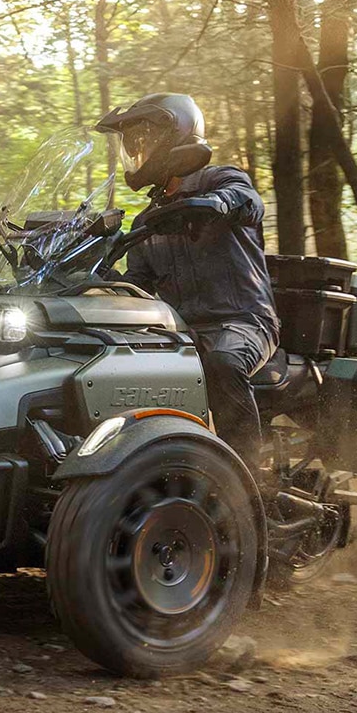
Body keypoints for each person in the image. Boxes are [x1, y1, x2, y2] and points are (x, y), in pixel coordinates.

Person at [95, 92, 279, 462]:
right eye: (131, 145)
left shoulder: (219, 180)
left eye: (143, 141)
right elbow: (139, 284)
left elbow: (248, 202)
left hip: (243, 322)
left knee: (223, 364)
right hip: (182, 332)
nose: (137, 151)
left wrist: (218, 203)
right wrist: (103, 281)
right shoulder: (148, 219)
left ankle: (250, 483)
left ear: (175, 135)